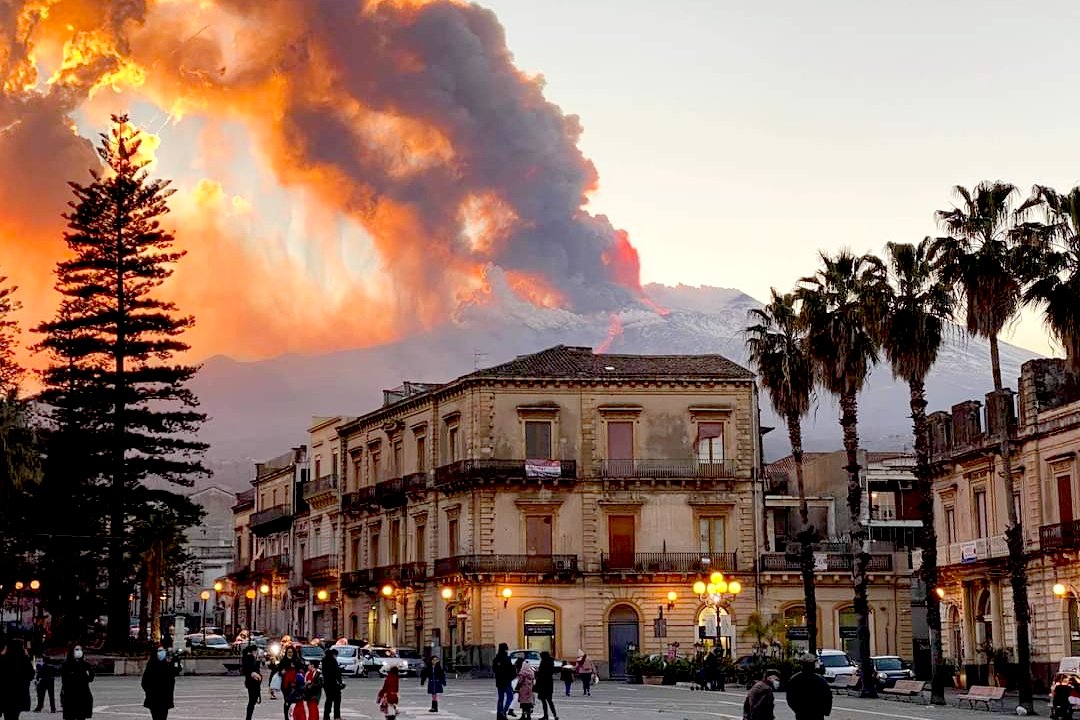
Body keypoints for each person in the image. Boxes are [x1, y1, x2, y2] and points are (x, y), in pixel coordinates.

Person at [786, 655, 831, 720]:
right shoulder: (820, 680)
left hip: (802, 712)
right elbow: (827, 697)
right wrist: (825, 711)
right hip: (817, 713)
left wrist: (797, 709)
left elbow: (790, 698)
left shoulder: (794, 680)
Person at [0, 638, 35, 720]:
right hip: (19, 694)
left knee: (7, 715)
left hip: (5, 694)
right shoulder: (24, 659)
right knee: (14, 716)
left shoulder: (3, 659)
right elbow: (31, 675)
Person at [141, 646, 177, 720]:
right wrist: (151, 692)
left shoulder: (167, 664)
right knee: (156, 716)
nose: (162, 652)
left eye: (163, 650)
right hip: (154, 698)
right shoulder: (151, 665)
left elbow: (174, 673)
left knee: (163, 717)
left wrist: (173, 660)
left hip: (165, 698)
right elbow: (145, 682)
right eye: (159, 650)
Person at [59, 646, 94, 720]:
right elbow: (65, 679)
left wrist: (84, 678)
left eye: (80, 649)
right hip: (70, 694)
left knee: (81, 716)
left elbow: (91, 677)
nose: (79, 651)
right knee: (70, 716)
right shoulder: (66, 665)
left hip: (83, 694)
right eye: (77, 649)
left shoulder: (86, 664)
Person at [280, 648, 306, 720]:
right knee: (287, 701)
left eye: (291, 652)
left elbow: (302, 669)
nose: (290, 653)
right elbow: (279, 670)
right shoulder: (283, 660)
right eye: (288, 652)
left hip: (296, 684)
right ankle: (287, 717)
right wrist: (283, 671)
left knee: (296, 701)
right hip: (286, 685)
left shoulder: (297, 660)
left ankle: (294, 716)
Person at [493, 643, 515, 720]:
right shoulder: (507, 658)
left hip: (499, 681)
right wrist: (511, 677)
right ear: (505, 649)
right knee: (510, 697)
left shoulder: (496, 658)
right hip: (506, 681)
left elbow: (494, 670)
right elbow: (511, 670)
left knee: (500, 698)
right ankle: (503, 712)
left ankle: (499, 714)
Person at [320, 649, 342, 720]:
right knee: (337, 700)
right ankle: (337, 716)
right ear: (334, 654)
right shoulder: (333, 661)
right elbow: (336, 673)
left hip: (326, 684)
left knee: (328, 700)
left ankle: (326, 716)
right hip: (333, 684)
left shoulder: (324, 660)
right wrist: (340, 682)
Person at [242, 645, 262, 720]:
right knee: (252, 701)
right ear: (254, 651)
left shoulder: (250, 657)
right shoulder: (250, 657)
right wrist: (253, 673)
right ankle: (248, 717)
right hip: (253, 682)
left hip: (252, 682)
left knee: (252, 701)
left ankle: (248, 717)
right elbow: (250, 669)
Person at [535, 652, 557, 720]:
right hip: (549, 684)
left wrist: (536, 673)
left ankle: (546, 715)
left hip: (543, 684)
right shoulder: (551, 662)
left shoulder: (544, 662)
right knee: (549, 700)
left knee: (544, 701)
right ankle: (555, 715)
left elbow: (541, 673)